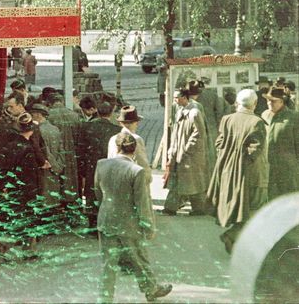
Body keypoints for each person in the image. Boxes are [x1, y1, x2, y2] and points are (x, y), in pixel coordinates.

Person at [95, 133, 172, 303]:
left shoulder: (101, 164)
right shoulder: (137, 171)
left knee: (108, 264)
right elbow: (142, 203)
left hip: (106, 220)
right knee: (139, 259)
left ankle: (104, 298)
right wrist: (148, 226)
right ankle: (151, 289)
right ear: (135, 150)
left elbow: (98, 193)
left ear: (117, 147)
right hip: (129, 224)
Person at [207, 89, 268, 253]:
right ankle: (233, 235)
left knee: (239, 207)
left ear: (237, 103)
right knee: (253, 208)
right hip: (248, 174)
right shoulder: (256, 122)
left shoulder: (227, 119)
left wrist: (228, 159)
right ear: (254, 104)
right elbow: (254, 150)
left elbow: (219, 143)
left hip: (227, 171)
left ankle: (237, 238)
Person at [0, 113, 46, 259]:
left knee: (15, 217)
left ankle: (5, 243)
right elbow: (30, 174)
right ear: (31, 130)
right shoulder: (29, 149)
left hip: (13, 188)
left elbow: (4, 168)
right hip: (27, 189)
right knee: (29, 218)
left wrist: (3, 186)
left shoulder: (10, 146)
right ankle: (28, 249)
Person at [163, 88, 209, 216]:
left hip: (190, 156)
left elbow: (199, 134)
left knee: (192, 182)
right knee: (183, 182)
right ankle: (172, 208)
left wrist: (187, 149)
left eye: (176, 97)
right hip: (180, 154)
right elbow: (176, 134)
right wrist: (172, 151)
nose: (175, 100)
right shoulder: (180, 111)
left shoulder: (194, 113)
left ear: (184, 97)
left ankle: (196, 209)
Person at [76, 102, 121, 231]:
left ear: (98, 112)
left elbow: (80, 149)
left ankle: (92, 222)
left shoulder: (86, 127)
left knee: (91, 193)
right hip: (109, 166)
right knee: (106, 193)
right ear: (111, 113)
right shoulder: (116, 130)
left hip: (92, 166)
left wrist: (82, 171)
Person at [262, 86, 299, 200]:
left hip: (288, 165)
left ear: (282, 101)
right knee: (271, 196)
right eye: (268, 100)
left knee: (288, 195)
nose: (269, 103)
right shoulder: (265, 115)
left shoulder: (294, 117)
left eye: (272, 101)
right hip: (269, 164)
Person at [47, 92, 81, 206]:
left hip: (56, 153)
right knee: (71, 180)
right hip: (72, 152)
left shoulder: (49, 116)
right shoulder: (74, 115)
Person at [30, 104, 65, 208]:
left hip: (45, 169)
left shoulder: (37, 131)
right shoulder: (55, 129)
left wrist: (53, 165)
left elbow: (44, 151)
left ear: (39, 115)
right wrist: (59, 167)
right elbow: (61, 150)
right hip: (55, 172)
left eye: (33, 114)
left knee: (45, 201)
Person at [107, 106, 151, 183]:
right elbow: (141, 163)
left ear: (120, 123)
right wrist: (148, 179)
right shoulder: (136, 139)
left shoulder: (113, 139)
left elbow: (109, 159)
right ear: (136, 123)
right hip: (130, 180)